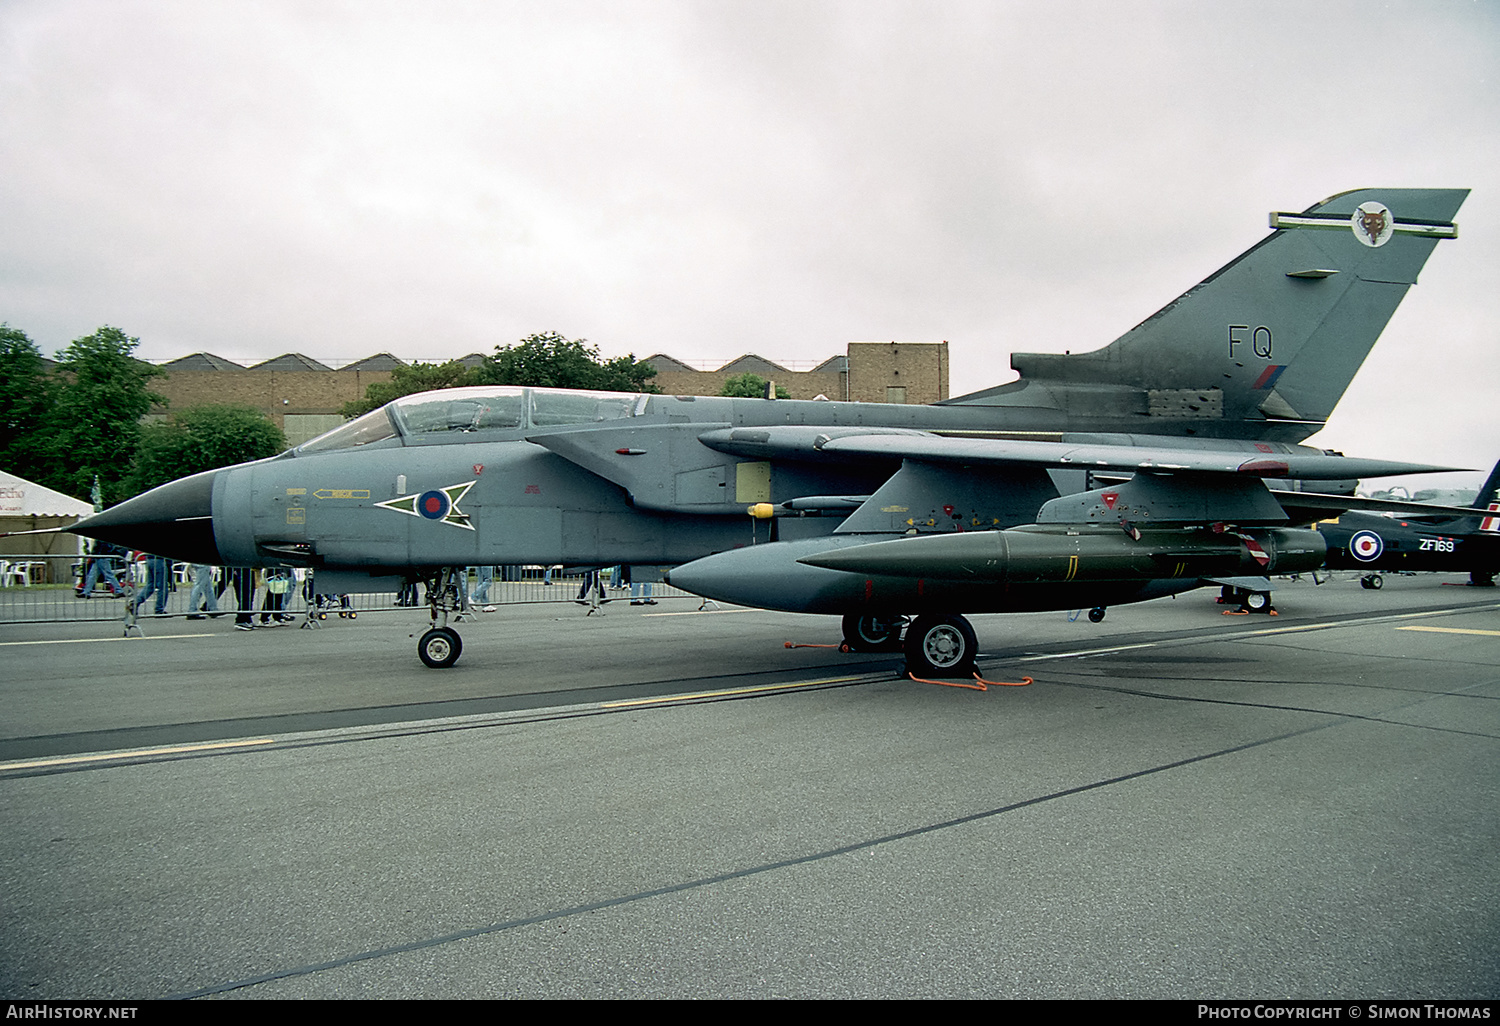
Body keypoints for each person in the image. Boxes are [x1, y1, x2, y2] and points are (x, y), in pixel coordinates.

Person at [131, 552, 171, 616]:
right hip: (159, 559)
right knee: (162, 586)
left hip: (149, 559)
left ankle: (135, 602)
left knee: (151, 585)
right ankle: (159, 609)